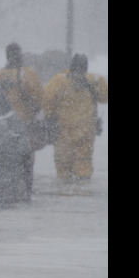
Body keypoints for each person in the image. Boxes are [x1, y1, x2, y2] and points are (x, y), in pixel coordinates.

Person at [42, 53, 109, 182]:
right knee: (83, 162)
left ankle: (64, 191)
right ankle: (82, 189)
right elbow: (104, 98)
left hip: (63, 130)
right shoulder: (94, 80)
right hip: (86, 131)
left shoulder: (59, 80)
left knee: (63, 163)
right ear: (86, 67)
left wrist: (50, 116)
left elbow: (47, 98)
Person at [0, 43, 44, 148]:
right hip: (24, 123)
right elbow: (39, 99)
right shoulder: (28, 74)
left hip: (3, 124)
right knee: (25, 157)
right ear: (20, 55)